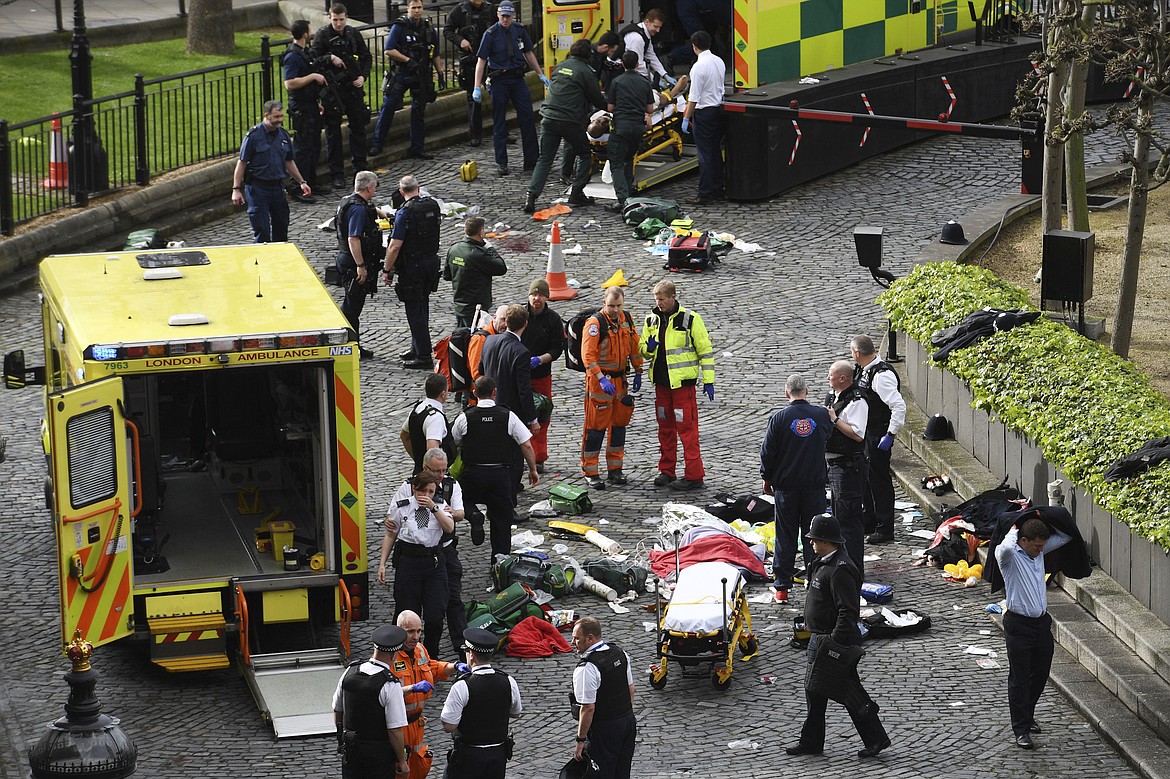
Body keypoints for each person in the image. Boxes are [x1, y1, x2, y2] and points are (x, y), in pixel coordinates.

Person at [785, 514, 890, 759]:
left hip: (832, 642)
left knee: (849, 692)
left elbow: (848, 610)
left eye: (814, 539)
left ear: (827, 541)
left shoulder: (840, 570)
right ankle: (812, 741)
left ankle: (875, 738)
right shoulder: (824, 562)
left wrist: (835, 641)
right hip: (820, 639)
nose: (810, 543)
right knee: (815, 691)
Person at [994, 517, 1071, 749]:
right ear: (1023, 541)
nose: (1041, 551)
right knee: (1019, 678)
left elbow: (1066, 535)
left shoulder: (1038, 554)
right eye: (1036, 546)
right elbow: (1003, 548)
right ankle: (1021, 729)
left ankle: (1027, 716)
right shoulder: (1011, 558)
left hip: (1041, 624)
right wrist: (1014, 528)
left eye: (1042, 546)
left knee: (1040, 673)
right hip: (1018, 625)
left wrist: (1039, 515)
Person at [760, 374, 832, 603]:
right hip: (814, 485)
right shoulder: (821, 415)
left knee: (786, 535)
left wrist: (767, 477)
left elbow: (767, 452)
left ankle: (781, 586)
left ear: (786, 393)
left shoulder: (779, 418)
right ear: (807, 391)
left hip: (786, 487)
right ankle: (815, 581)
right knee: (815, 534)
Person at [453, 376, 539, 560]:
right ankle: (499, 564)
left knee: (461, 499)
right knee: (501, 522)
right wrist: (533, 469)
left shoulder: (464, 417)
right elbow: (526, 444)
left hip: (473, 474)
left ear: (474, 393)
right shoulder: (508, 416)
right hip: (500, 476)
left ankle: (474, 514)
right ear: (494, 393)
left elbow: (456, 441)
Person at [639, 279, 713, 492]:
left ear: (673, 297)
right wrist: (648, 348)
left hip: (682, 387)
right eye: (656, 299)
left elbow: (705, 351)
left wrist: (709, 380)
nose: (658, 303)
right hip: (662, 385)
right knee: (665, 428)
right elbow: (642, 349)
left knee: (687, 430)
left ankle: (694, 475)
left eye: (662, 299)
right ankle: (667, 470)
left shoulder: (690, 319)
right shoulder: (651, 320)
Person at [523, 38, 607, 214]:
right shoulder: (585, 72)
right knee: (585, 154)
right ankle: (576, 193)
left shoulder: (561, 66)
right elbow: (597, 99)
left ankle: (531, 197)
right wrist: (612, 106)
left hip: (548, 117)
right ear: (588, 55)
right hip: (569, 120)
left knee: (545, 158)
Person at [379, 471, 455, 664]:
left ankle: (430, 657)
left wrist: (435, 509)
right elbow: (391, 534)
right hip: (409, 562)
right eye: (424, 491)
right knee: (406, 613)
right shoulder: (402, 507)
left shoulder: (440, 506)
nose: (428, 496)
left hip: (433, 563)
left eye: (431, 491)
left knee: (436, 614)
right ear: (415, 490)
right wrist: (382, 564)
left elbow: (449, 528)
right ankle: (405, 656)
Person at [471, 1, 548, 176]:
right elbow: (481, 60)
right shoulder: (490, 34)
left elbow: (528, 53)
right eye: (503, 16)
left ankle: (531, 160)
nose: (505, 19)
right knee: (499, 122)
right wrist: (476, 86)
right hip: (499, 80)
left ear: (513, 15)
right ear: (498, 15)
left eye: (508, 16)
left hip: (517, 78)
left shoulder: (519, 30)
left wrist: (540, 74)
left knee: (527, 118)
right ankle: (502, 163)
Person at [409, 448, 473, 658]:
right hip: (419, 555)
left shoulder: (451, 485)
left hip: (446, 550)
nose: (440, 476)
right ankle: (411, 651)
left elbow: (461, 513)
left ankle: (462, 649)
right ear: (425, 467)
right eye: (436, 471)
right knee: (412, 605)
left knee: (453, 599)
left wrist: (451, 513)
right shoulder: (411, 486)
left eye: (444, 470)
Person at [390, 609, 469, 779]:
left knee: (418, 766)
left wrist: (453, 666)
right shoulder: (390, 656)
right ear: (399, 631)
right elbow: (383, 691)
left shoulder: (419, 650)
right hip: (397, 725)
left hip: (416, 725)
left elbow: (432, 667)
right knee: (399, 769)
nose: (416, 636)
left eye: (419, 631)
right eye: (410, 631)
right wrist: (411, 688)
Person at [439, 628, 523, 779]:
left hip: (469, 756)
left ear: (471, 655)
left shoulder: (462, 686)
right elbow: (516, 712)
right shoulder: (508, 680)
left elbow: (448, 726)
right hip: (498, 755)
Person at [581, 286, 642, 489]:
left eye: (618, 305)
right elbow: (588, 356)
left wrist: (639, 370)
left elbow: (634, 346)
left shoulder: (627, 319)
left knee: (618, 428)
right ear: (604, 303)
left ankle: (615, 470)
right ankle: (590, 471)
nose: (615, 310)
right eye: (611, 306)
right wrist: (600, 378)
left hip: (620, 382)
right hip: (600, 383)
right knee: (595, 429)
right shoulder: (595, 324)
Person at [333, 624, 411, 779]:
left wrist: (342, 737)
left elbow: (337, 709)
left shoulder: (350, 671)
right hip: (378, 756)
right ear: (394, 655)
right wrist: (402, 762)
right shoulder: (390, 684)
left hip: (351, 749)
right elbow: (394, 730)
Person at [850, 334, 906, 545]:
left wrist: (890, 434)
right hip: (866, 433)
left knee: (879, 482)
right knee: (866, 480)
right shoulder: (864, 370)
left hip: (877, 434)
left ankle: (885, 528)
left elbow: (898, 405)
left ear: (857, 353)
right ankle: (870, 520)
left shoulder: (881, 376)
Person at [230, 100, 312, 243]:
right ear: (266, 115)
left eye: (281, 116)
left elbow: (289, 161)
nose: (279, 120)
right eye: (276, 117)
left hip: (277, 187)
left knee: (281, 226)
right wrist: (236, 189)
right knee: (262, 230)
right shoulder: (254, 136)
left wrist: (302, 182)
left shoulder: (283, 136)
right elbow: (242, 162)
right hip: (258, 188)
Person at [383, 175, 443, 369]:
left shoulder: (405, 213)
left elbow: (394, 246)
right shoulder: (432, 205)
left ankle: (424, 355)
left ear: (401, 192)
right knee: (422, 305)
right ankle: (417, 347)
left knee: (414, 311)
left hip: (413, 266)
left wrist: (387, 269)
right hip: (431, 262)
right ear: (419, 188)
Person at [312, 3, 373, 190]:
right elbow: (313, 60)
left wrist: (363, 75)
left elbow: (366, 57)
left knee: (358, 127)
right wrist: (329, 58)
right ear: (330, 18)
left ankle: (360, 167)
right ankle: (337, 173)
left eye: (342, 19)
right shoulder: (322, 35)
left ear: (346, 17)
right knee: (333, 132)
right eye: (335, 20)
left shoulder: (353, 34)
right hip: (333, 91)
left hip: (353, 88)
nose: (338, 23)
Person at [371, 0, 442, 159]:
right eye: (414, 8)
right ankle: (377, 144)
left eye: (419, 7)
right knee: (388, 106)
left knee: (418, 111)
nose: (417, 11)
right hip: (402, 73)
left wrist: (440, 72)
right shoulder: (400, 26)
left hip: (421, 74)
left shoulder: (428, 27)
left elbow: (435, 52)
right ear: (408, 9)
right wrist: (407, 60)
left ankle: (417, 148)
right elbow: (388, 50)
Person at [570, 616, 637, 779]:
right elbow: (631, 688)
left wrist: (580, 740)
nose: (572, 642)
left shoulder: (587, 668)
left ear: (590, 638)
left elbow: (588, 708)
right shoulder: (620, 653)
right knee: (622, 772)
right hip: (627, 721)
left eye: (577, 638)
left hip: (605, 728)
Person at [283, 20, 341, 200]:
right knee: (303, 148)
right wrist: (313, 76)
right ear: (305, 34)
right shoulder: (293, 56)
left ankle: (311, 182)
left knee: (315, 145)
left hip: (310, 104)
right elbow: (290, 83)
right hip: (301, 107)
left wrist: (316, 102)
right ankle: (297, 186)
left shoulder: (304, 53)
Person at [335, 170, 389, 358]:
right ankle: (350, 346)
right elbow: (353, 238)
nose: (375, 190)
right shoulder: (357, 209)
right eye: (374, 187)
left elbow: (368, 209)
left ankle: (353, 344)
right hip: (352, 263)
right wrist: (361, 265)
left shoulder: (349, 201)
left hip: (346, 259)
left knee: (352, 305)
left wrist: (381, 213)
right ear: (368, 187)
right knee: (352, 307)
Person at [824, 359, 868, 580]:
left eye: (830, 375)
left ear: (843, 378)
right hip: (834, 466)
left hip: (848, 468)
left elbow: (858, 434)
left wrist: (834, 420)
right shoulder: (834, 396)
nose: (827, 378)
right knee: (838, 517)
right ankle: (841, 566)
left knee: (849, 521)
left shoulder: (857, 401)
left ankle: (853, 572)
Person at [520, 279, 564, 473]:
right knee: (518, 415)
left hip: (541, 375)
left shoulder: (553, 320)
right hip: (519, 374)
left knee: (542, 416)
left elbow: (557, 349)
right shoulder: (520, 314)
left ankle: (538, 457)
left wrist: (541, 359)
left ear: (546, 297)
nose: (536, 299)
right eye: (533, 295)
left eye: (540, 295)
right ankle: (518, 454)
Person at [604, 51, 656, 213]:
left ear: (622, 65)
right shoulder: (644, 82)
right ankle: (629, 193)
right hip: (637, 129)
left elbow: (610, 107)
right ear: (637, 64)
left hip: (621, 127)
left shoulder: (617, 82)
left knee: (617, 162)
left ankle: (622, 200)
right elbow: (649, 108)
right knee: (628, 159)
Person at [444, 0, 497, 147]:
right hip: (469, 59)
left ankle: (501, 132)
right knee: (473, 98)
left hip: (490, 58)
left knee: (498, 95)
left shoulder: (491, 8)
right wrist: (460, 41)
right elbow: (447, 31)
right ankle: (475, 135)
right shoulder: (459, 11)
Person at [479, 305, 540, 433]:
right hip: (511, 414)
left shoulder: (489, 340)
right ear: (525, 324)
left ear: (506, 322)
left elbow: (481, 370)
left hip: (490, 407)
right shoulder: (521, 352)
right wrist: (533, 420)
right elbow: (524, 389)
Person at [682, 31, 725, 206]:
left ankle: (705, 193)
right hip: (718, 110)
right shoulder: (719, 61)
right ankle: (718, 188)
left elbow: (694, 97)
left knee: (705, 154)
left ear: (694, 46)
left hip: (704, 113)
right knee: (715, 151)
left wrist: (686, 117)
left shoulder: (698, 67)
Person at [444, 216, 508, 327]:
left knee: (461, 337)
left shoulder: (453, 249)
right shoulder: (478, 254)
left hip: (459, 305)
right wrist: (490, 249)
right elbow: (501, 268)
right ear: (481, 232)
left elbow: (447, 276)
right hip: (477, 307)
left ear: (465, 230)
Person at [401, 373, 455, 472]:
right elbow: (432, 450)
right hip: (432, 478)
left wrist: (418, 461)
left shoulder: (418, 409)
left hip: (420, 472)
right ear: (443, 394)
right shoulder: (436, 418)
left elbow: (404, 436)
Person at [620, 9, 672, 89]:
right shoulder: (637, 38)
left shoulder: (645, 34)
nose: (658, 30)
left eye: (659, 27)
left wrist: (665, 75)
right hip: (618, 72)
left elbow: (651, 56)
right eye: (656, 26)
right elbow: (639, 65)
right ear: (647, 21)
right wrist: (653, 80)